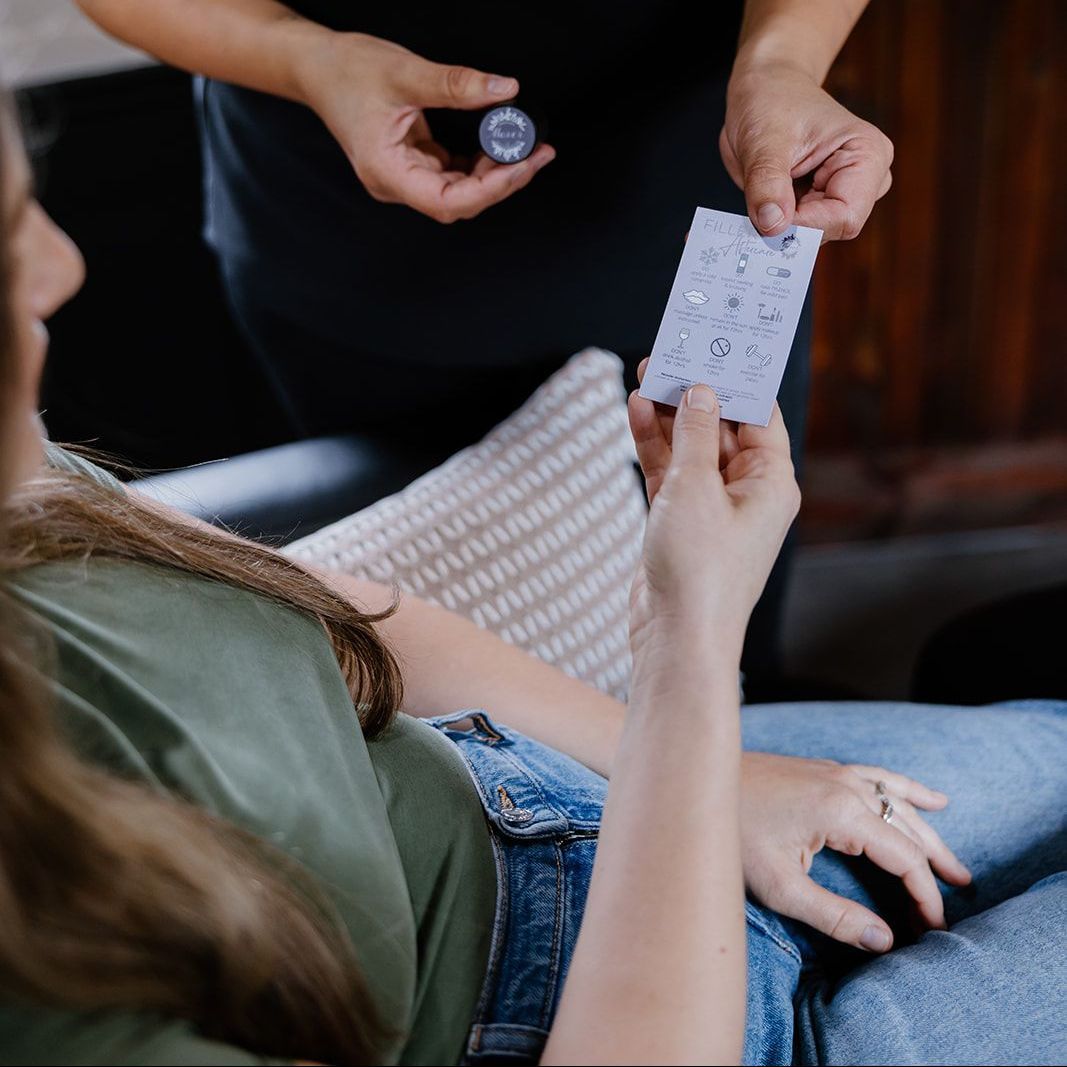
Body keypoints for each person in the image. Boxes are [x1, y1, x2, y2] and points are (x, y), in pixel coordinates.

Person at [1, 95, 1065, 1067]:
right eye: (4, 240)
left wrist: (723, 775)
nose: (59, 266)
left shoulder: (20, 487)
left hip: (563, 799)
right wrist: (687, 645)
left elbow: (329, 619)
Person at [75, 0, 896, 688]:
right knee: (410, 627)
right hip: (347, 227)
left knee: (731, 636)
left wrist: (782, 59)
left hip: (696, 220)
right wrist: (306, 58)